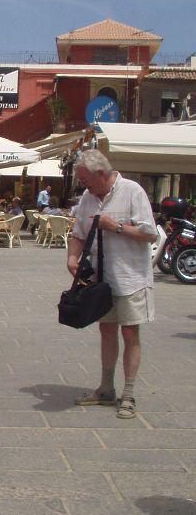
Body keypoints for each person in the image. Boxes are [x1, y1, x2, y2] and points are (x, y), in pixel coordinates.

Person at [67, 150, 156, 420]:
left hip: (131, 278)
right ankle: (106, 389)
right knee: (106, 330)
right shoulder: (88, 198)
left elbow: (149, 233)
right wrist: (72, 257)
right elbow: (79, 234)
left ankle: (128, 394)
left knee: (130, 333)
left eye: (85, 179)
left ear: (101, 174)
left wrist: (115, 226)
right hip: (101, 280)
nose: (83, 185)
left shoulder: (132, 191)